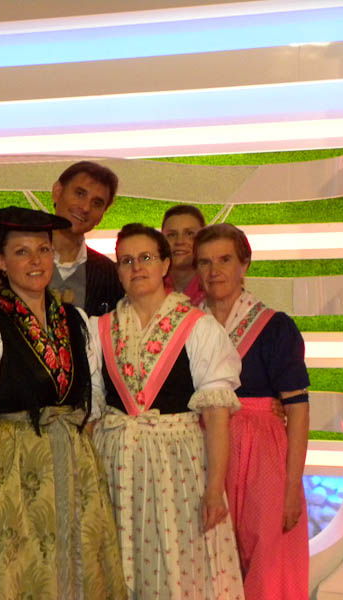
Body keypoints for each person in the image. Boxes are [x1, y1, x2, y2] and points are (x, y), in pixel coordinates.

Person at [0, 206, 126, 600]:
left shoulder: (76, 321)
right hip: (11, 471)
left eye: (43, 250)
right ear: (2, 262)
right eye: (21, 252)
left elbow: (90, 405)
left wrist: (80, 461)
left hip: (73, 467)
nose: (36, 261)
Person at [90, 223, 245, 599]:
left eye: (145, 257)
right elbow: (93, 412)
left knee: (178, 567)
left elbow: (217, 415)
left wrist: (214, 489)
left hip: (176, 468)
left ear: (164, 265)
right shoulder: (99, 329)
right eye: (126, 260)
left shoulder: (198, 327)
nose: (136, 267)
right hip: (116, 465)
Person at [195, 223, 310, 600]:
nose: (215, 271)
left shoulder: (276, 327)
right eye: (205, 262)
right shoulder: (186, 325)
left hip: (262, 454)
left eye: (225, 260)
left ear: (244, 264)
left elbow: (297, 409)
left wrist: (292, 488)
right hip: (202, 447)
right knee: (209, 558)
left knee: (268, 558)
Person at [50, 161, 124, 316]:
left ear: (102, 215)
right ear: (57, 191)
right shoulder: (20, 258)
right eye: (80, 194)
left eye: (97, 203)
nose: (85, 208)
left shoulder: (111, 275)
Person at [160, 204, 207, 305]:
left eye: (190, 233)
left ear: (204, 239)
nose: (180, 241)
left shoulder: (214, 285)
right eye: (171, 235)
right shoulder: (152, 286)